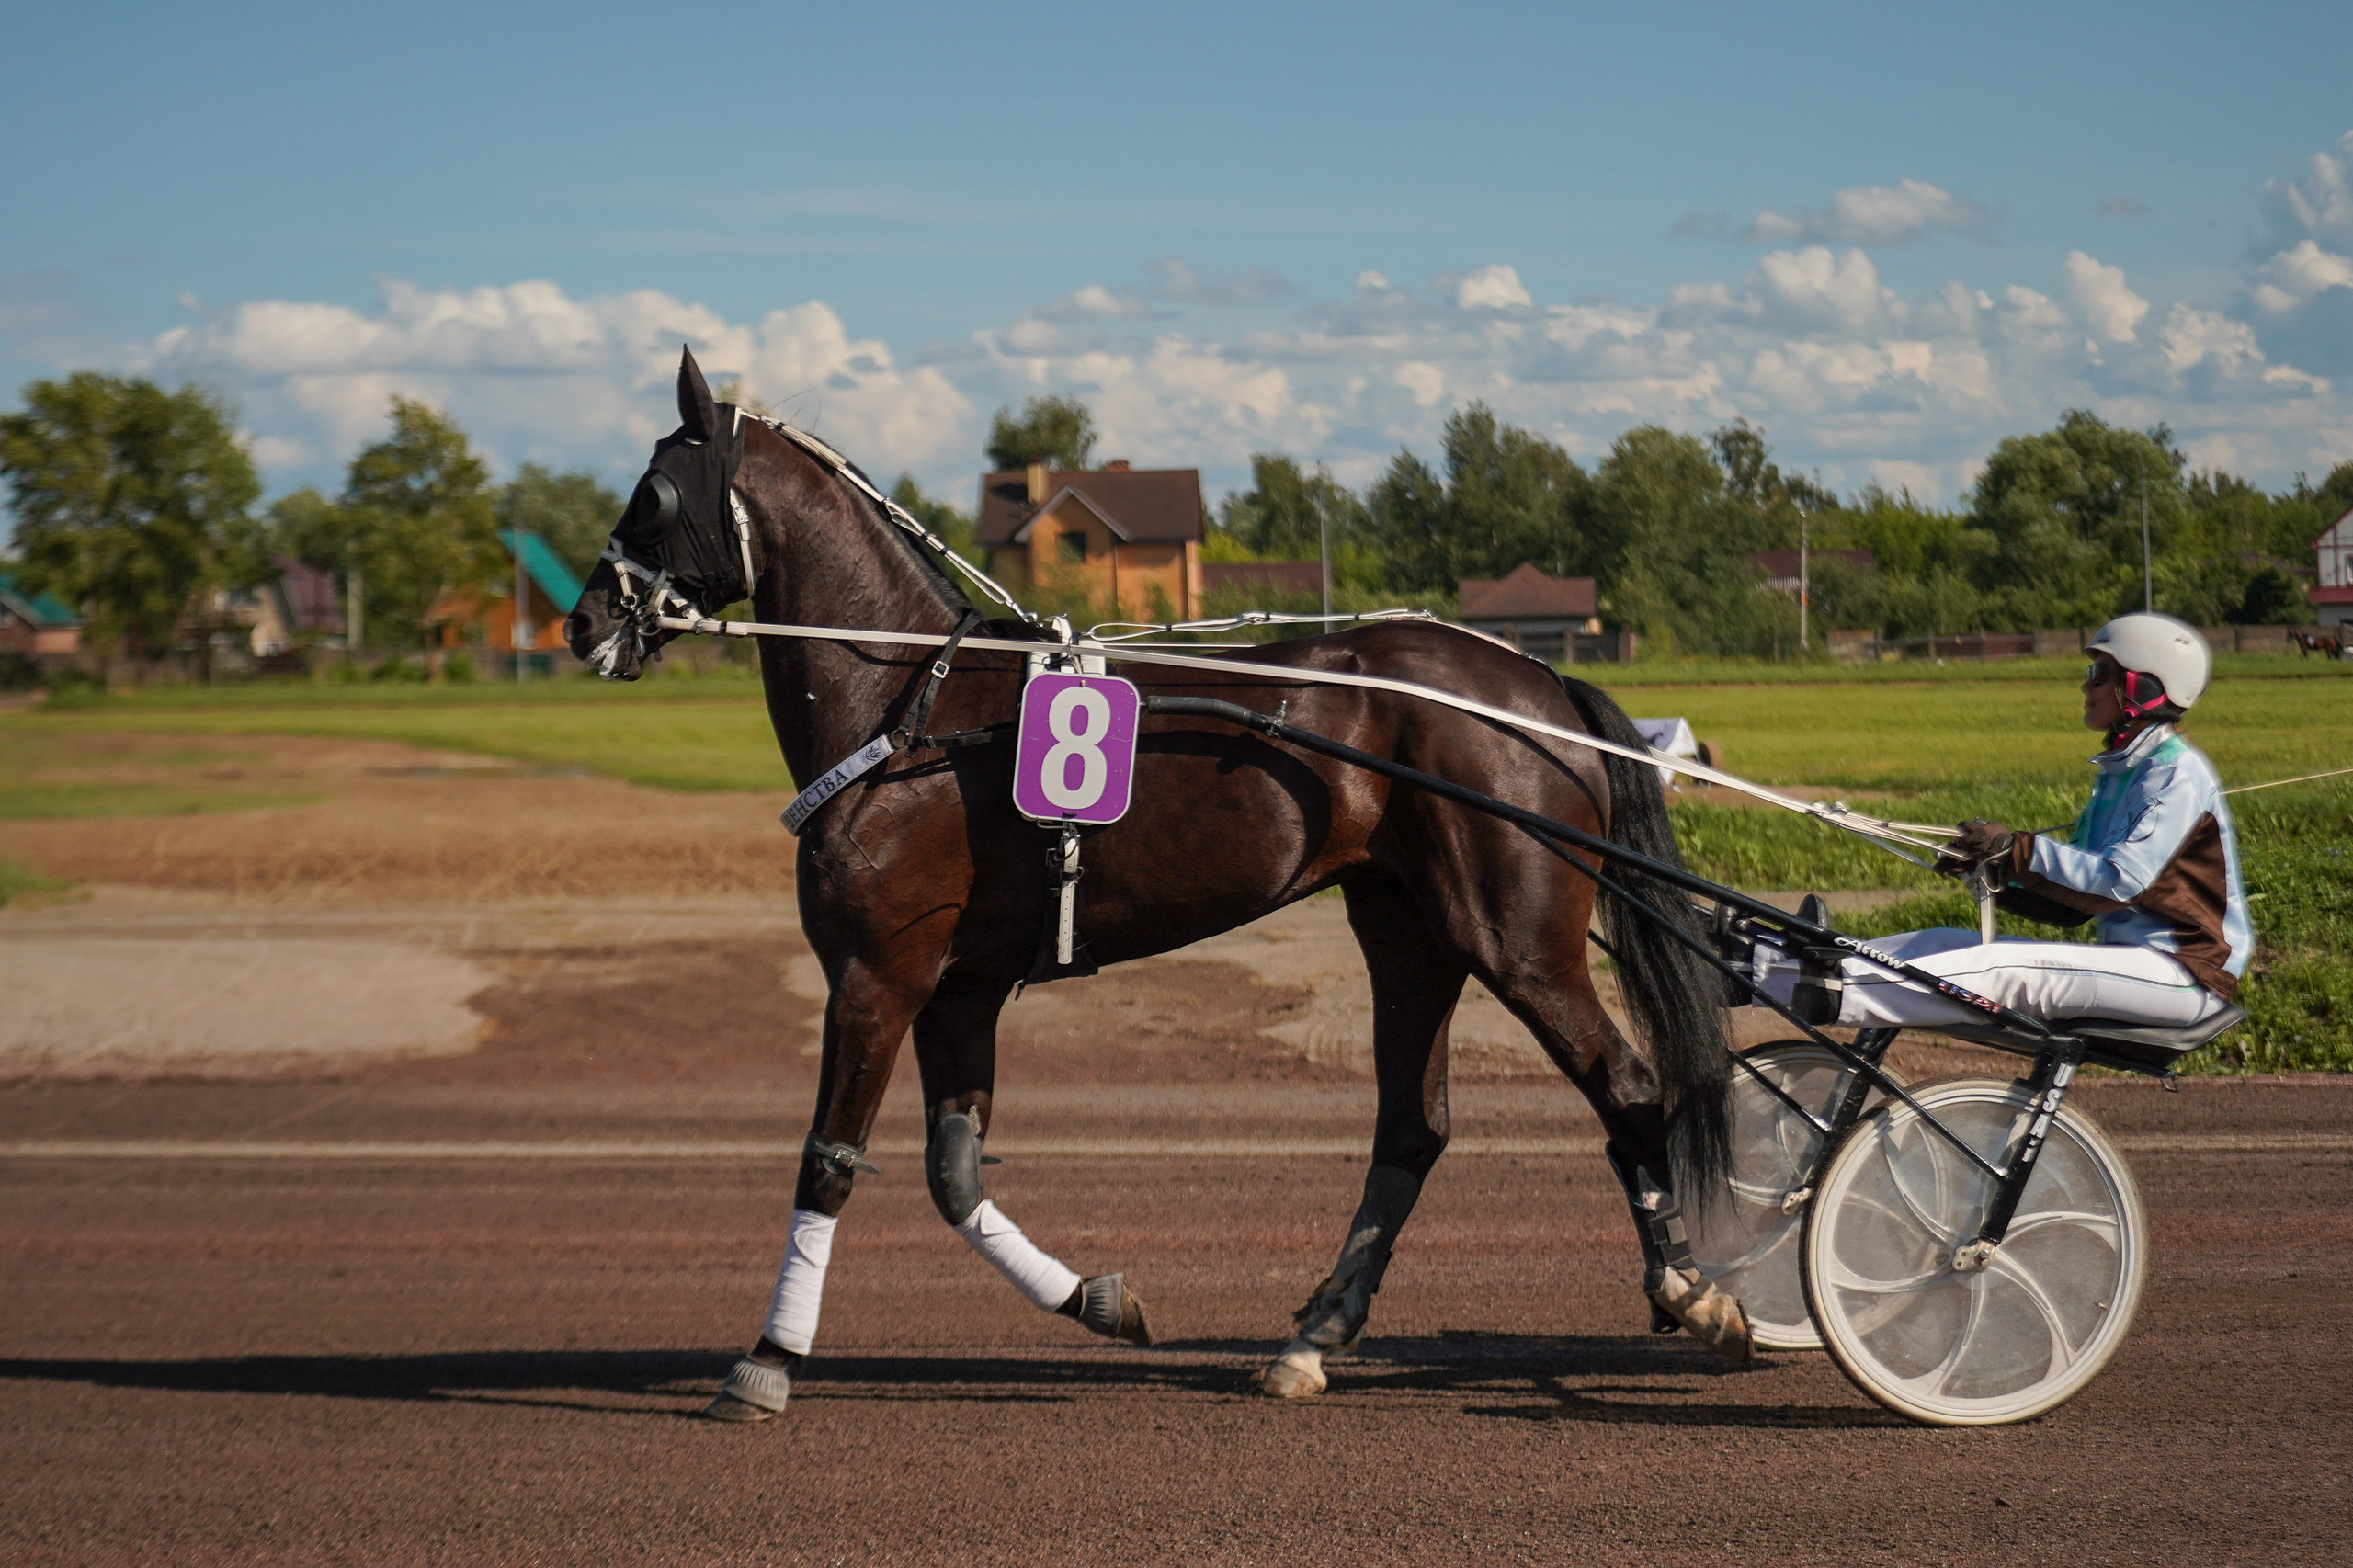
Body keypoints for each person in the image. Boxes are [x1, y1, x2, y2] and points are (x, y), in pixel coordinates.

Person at [1756, 613, 2251, 1032]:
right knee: (1940, 942)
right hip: (2137, 962)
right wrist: (1996, 871)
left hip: (2186, 972)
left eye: (2098, 673)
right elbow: (2073, 905)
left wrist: (2018, 850)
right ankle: (1760, 969)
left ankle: (1831, 989)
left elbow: (2119, 884)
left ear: (2142, 685)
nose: (2085, 684)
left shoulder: (2175, 774)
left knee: (2004, 969)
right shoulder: (2123, 772)